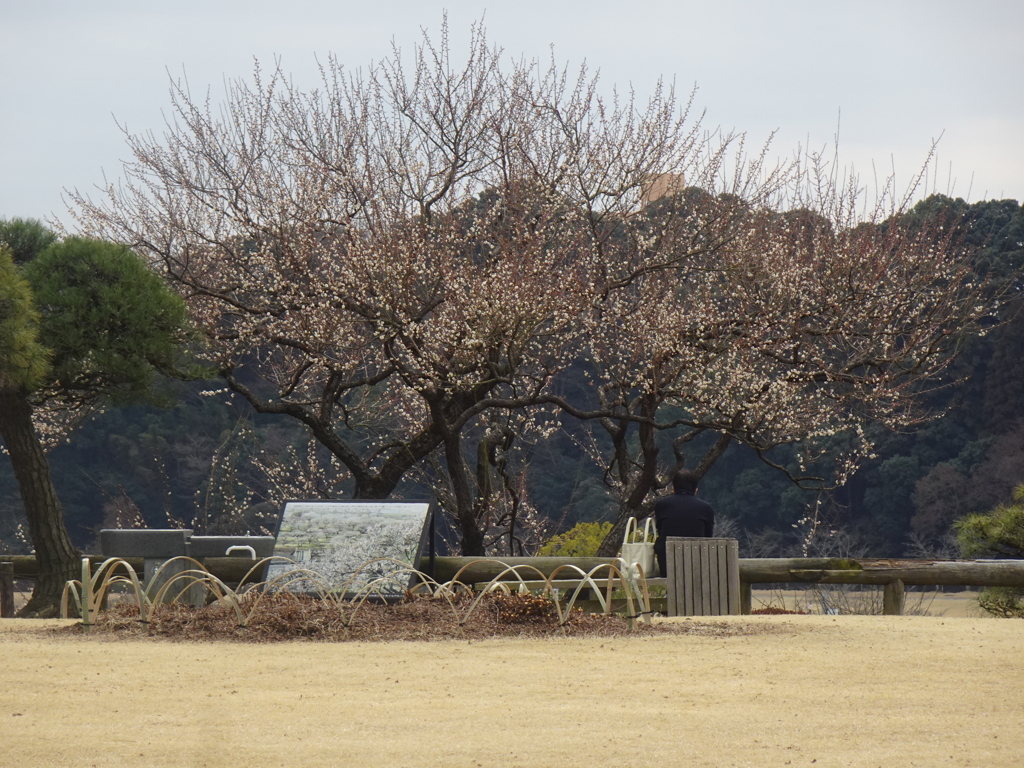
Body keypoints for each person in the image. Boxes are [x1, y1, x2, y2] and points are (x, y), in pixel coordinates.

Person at [653, 469, 715, 577]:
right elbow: (708, 536)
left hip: (668, 564)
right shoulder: (706, 508)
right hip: (697, 564)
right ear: (695, 490)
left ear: (673, 489)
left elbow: (660, 529)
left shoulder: (662, 504)